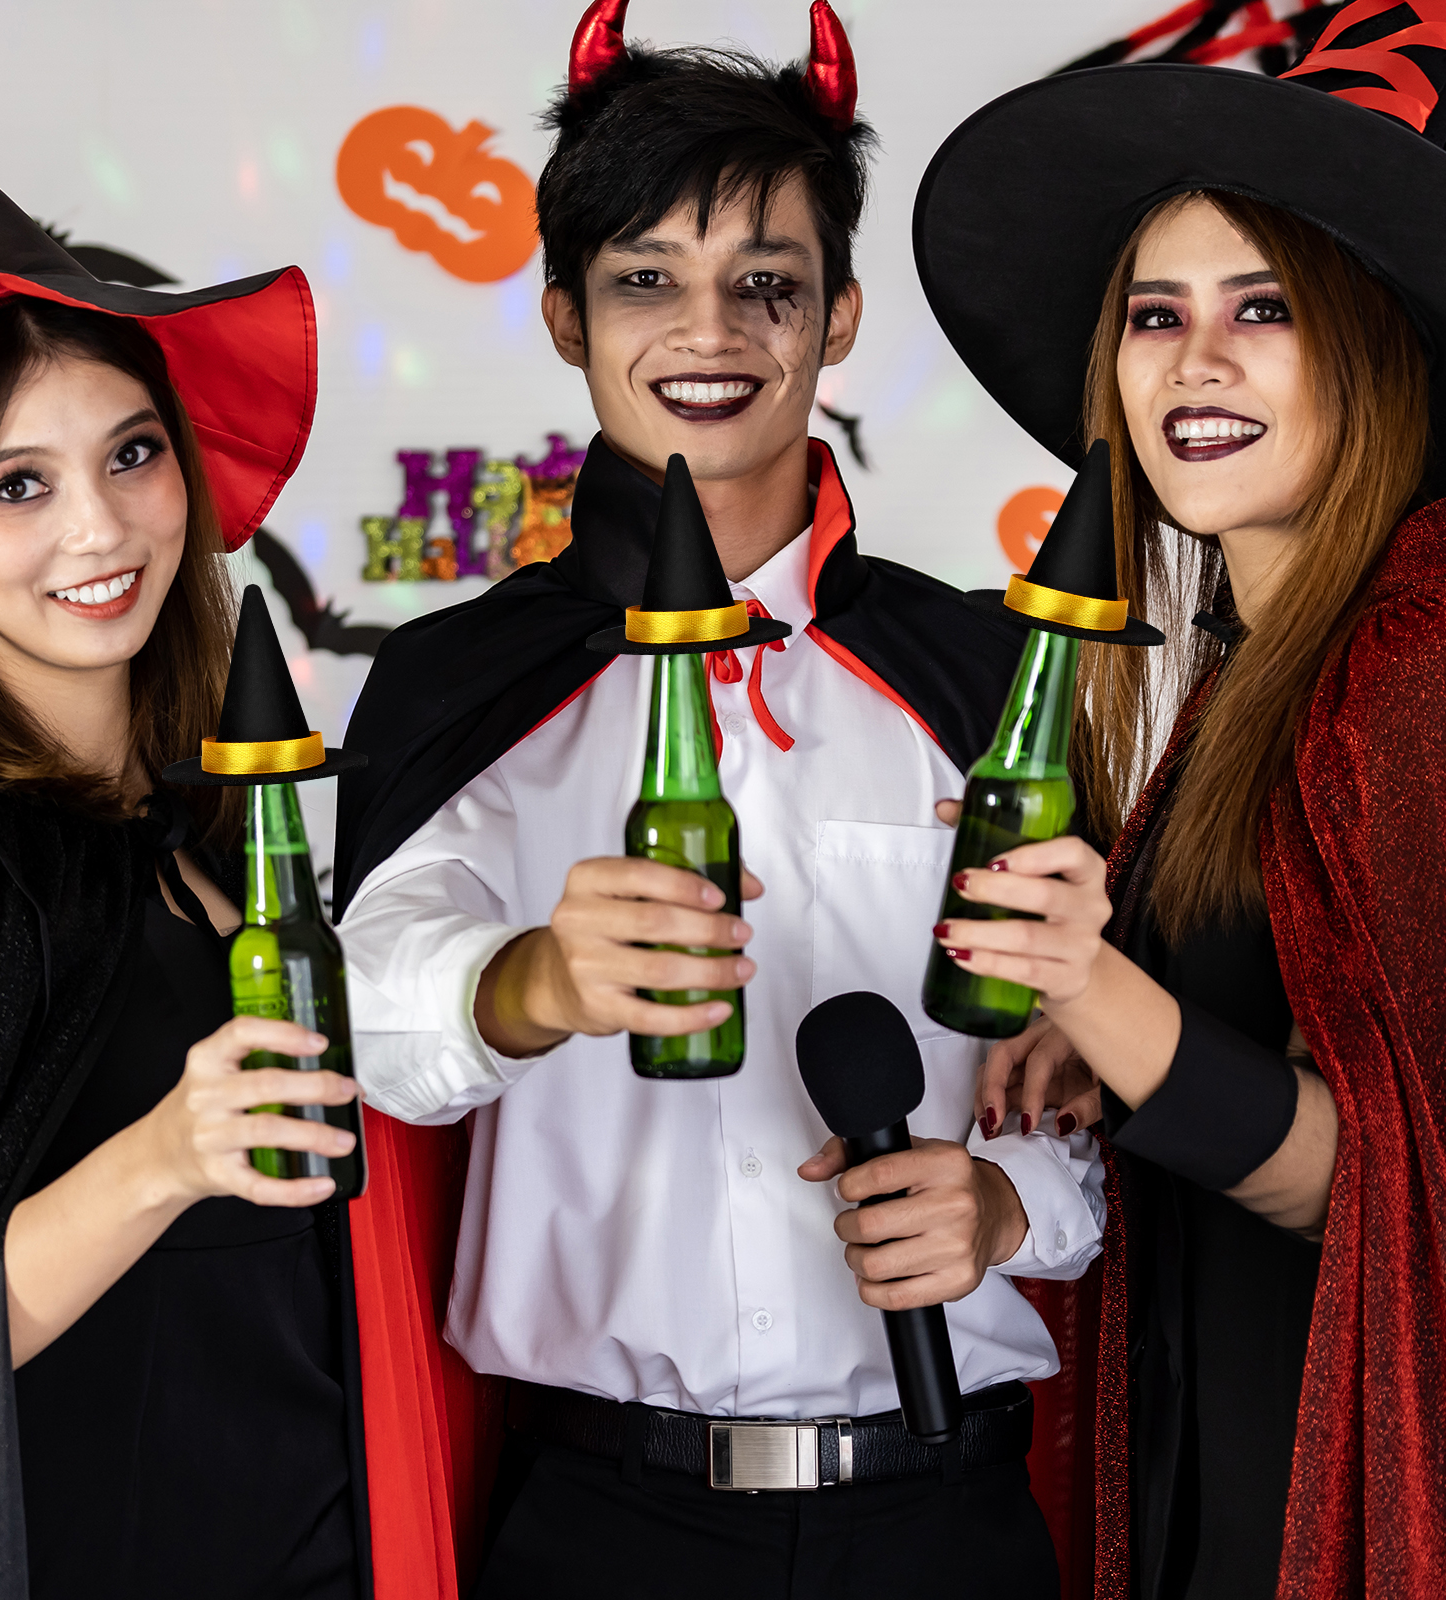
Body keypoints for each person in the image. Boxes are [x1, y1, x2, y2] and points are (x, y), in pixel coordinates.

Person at [334, 4, 1106, 1594]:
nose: (712, 333)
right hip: (601, 1526)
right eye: (645, 281)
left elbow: (1093, 1086)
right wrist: (531, 982)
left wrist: (1008, 1209)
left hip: (948, 1515)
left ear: (838, 319)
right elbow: (362, 1025)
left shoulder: (989, 684)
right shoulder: (458, 686)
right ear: (564, 315)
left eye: (766, 283)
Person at [914, 6, 1446, 1595]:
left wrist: (1088, 979)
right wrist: (1107, 1041)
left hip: (1334, 1491)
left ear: (1380, 345)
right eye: (1155, 314)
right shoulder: (1253, 674)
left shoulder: (1418, 655)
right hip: (1216, 1459)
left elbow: (1377, 1184)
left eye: (1263, 308)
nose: (1195, 362)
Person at [0, 71, 379, 1600]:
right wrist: (165, 1158)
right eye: (18, 484)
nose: (100, 527)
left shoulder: (201, 832)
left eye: (132, 453)